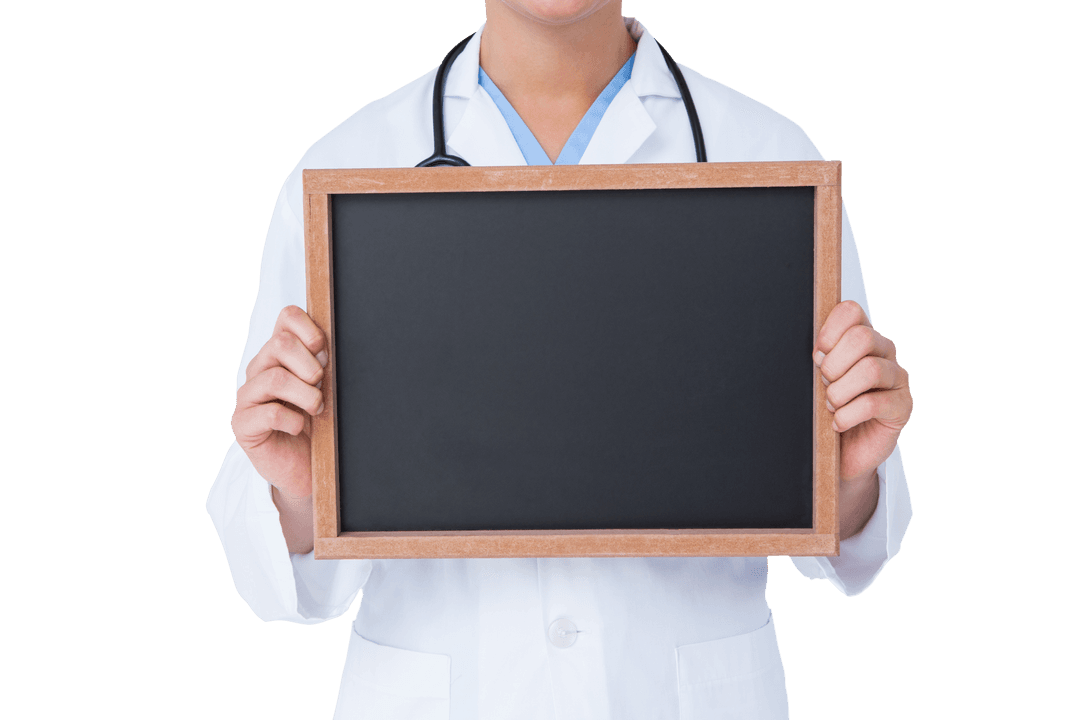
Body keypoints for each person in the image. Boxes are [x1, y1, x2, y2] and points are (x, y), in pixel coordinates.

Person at [207, 2, 914, 717]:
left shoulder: (770, 157)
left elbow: (842, 538)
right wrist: (302, 492)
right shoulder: (347, 170)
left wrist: (848, 476)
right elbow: (273, 578)